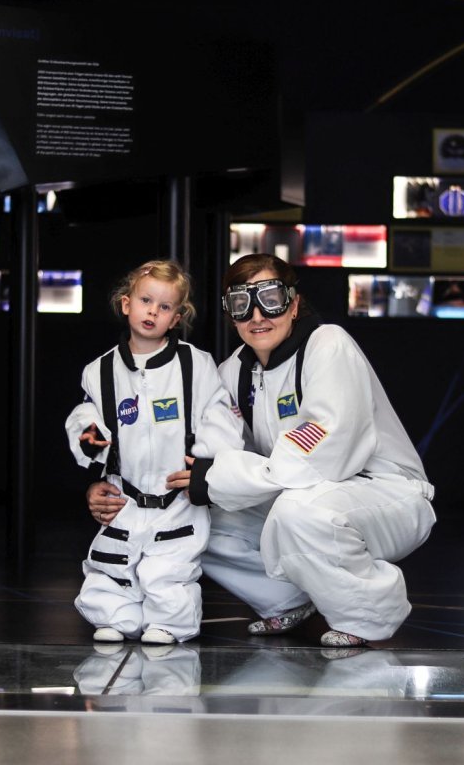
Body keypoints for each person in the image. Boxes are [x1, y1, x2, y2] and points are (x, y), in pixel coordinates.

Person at [163, 253, 437, 648]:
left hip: (387, 493)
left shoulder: (328, 345)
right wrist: (123, 487)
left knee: (300, 513)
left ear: (292, 303)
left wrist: (220, 477)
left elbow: (324, 450)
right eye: (241, 304)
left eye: (269, 298)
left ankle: (372, 614)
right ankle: (285, 601)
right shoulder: (232, 371)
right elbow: (203, 448)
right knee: (186, 518)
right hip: (298, 491)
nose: (257, 315)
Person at [65, 260, 244, 646]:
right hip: (123, 492)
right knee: (111, 563)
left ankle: (170, 625)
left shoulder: (195, 365)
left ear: (177, 317)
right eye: (146, 300)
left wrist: (207, 466)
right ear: (126, 304)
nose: (152, 311)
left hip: (176, 494)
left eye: (164, 307)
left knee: (171, 568)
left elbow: (219, 416)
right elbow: (85, 414)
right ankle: (116, 617)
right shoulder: (99, 371)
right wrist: (88, 436)